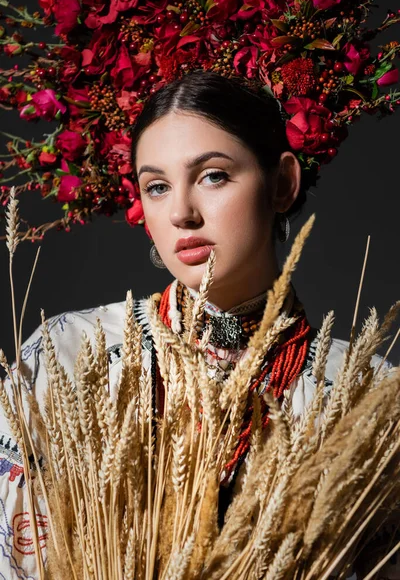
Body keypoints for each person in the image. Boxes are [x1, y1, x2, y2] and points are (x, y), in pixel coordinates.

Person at [0, 71, 397, 579]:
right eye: (158, 187)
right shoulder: (71, 354)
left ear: (281, 183)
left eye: (213, 176)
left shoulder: (365, 392)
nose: (182, 213)